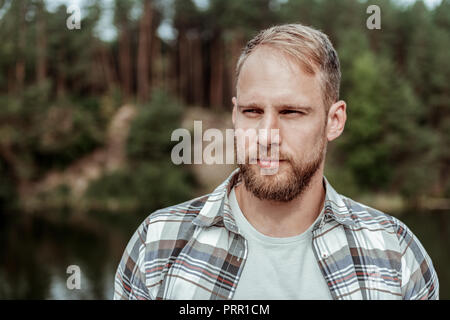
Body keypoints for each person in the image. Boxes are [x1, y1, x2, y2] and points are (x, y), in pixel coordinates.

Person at [113, 24, 439, 300]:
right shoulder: (158, 243)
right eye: (252, 112)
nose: (266, 135)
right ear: (234, 116)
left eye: (291, 112)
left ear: (334, 121)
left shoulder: (395, 254)